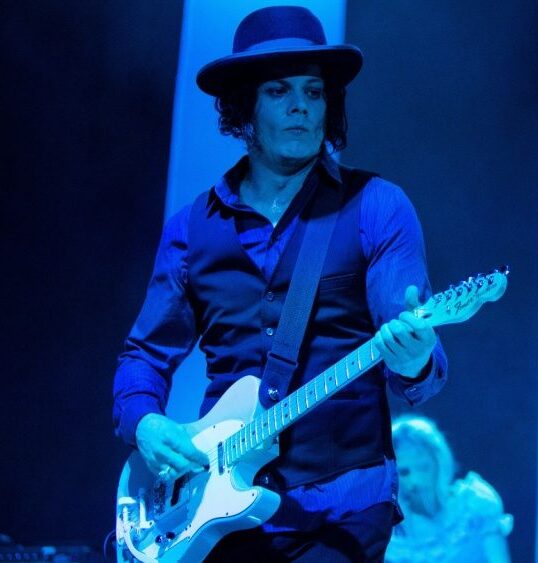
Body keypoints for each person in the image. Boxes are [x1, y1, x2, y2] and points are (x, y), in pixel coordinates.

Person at [111, 6, 447, 562]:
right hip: (216, 502)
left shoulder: (376, 207)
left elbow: (411, 357)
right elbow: (144, 353)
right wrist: (144, 421)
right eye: (278, 91)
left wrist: (414, 358)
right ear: (244, 106)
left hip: (342, 508)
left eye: (314, 92)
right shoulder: (191, 228)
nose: (300, 106)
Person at [386, 415, 512, 563]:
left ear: (439, 462)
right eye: (404, 472)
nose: (416, 480)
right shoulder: (390, 533)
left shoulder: (476, 503)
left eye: (423, 467)